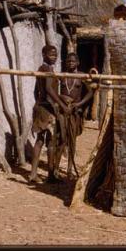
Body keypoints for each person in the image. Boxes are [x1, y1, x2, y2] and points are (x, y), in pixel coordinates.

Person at [29, 45, 70, 183]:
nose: (54, 57)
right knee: (46, 141)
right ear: (44, 54)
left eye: (55, 55)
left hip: (44, 107)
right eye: (51, 55)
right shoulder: (45, 69)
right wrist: (62, 105)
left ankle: (43, 174)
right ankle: (40, 175)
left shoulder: (45, 69)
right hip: (47, 109)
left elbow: (37, 91)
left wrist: (39, 102)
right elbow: (47, 89)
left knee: (45, 141)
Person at [56, 52, 94, 180]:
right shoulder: (62, 76)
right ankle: (55, 168)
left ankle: (69, 170)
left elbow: (90, 93)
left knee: (72, 140)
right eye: (68, 61)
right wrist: (62, 100)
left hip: (74, 112)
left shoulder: (82, 76)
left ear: (77, 63)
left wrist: (79, 104)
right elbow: (54, 92)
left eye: (73, 61)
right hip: (62, 111)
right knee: (61, 138)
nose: (70, 63)